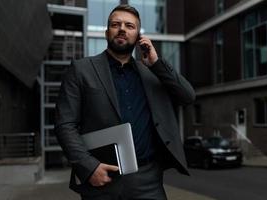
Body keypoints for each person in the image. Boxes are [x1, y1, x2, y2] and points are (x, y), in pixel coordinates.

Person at [55, 4, 195, 200]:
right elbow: (65, 125)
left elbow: (188, 96)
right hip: (102, 180)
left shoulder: (152, 74)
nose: (122, 29)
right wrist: (88, 167)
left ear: (138, 36)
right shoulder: (81, 70)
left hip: (148, 180)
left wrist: (156, 63)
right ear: (106, 32)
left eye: (130, 26)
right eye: (116, 24)